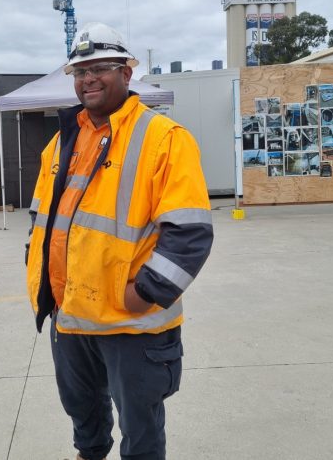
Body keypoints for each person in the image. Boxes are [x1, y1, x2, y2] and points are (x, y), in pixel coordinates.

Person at [26, 22, 213, 460]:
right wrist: (41, 280)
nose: (88, 78)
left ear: (127, 74)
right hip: (69, 315)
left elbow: (190, 232)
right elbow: (42, 220)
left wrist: (147, 291)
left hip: (131, 325)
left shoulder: (164, 138)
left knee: (141, 429)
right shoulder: (61, 141)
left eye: (101, 68)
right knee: (83, 416)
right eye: (80, 70)